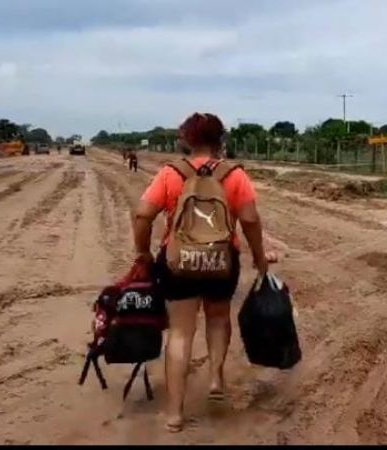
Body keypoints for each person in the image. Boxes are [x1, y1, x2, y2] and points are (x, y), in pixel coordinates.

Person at [131, 112, 275, 433]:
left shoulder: (171, 173)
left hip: (178, 263)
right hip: (222, 263)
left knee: (181, 333)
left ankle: (174, 413)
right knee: (218, 319)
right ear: (221, 139)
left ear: (186, 139)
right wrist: (260, 258)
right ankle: (215, 378)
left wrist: (142, 252)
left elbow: (143, 214)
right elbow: (250, 219)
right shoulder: (234, 174)